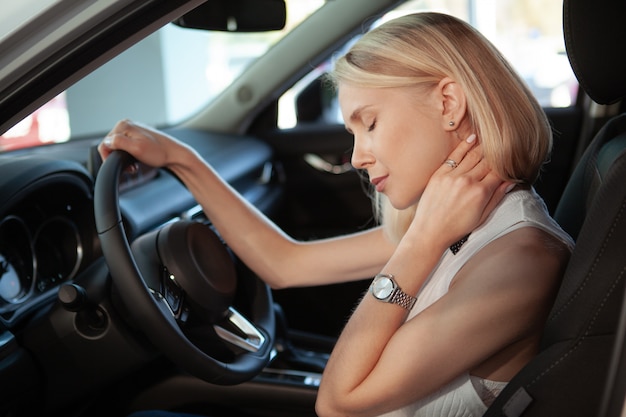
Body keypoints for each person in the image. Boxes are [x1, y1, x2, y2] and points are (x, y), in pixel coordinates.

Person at [100, 12, 573, 417]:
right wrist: (181, 158)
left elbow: (338, 403)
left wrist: (421, 242)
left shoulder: (520, 259)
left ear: (448, 104)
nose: (357, 157)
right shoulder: (458, 222)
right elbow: (285, 264)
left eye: (369, 123)